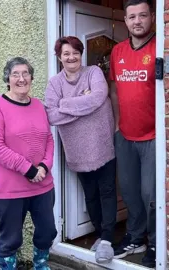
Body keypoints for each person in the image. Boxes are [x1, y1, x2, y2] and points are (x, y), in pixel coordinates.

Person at [44, 36, 117, 264]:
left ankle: (107, 238)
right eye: (66, 53)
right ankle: (99, 232)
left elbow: (97, 98)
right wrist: (80, 103)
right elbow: (51, 115)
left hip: (102, 144)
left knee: (107, 191)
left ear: (81, 54)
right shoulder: (55, 83)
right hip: (77, 150)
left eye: (75, 52)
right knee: (91, 195)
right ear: (59, 57)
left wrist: (65, 103)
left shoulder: (93, 73)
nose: (71, 57)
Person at [0, 57, 57, 270]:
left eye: (25, 73)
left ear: (31, 78)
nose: (21, 78)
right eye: (15, 74)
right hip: (9, 189)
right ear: (7, 78)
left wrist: (44, 166)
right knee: (10, 239)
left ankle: (41, 265)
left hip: (42, 185)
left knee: (47, 231)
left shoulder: (38, 105)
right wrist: (28, 169)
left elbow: (49, 139)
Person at [108, 0, 156, 267]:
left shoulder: (161, 46)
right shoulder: (118, 52)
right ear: (125, 21)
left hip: (152, 136)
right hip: (125, 134)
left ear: (151, 17)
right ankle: (135, 236)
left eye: (142, 15)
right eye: (132, 17)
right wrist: (117, 124)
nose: (137, 21)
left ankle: (155, 242)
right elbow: (114, 90)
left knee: (150, 194)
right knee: (129, 191)